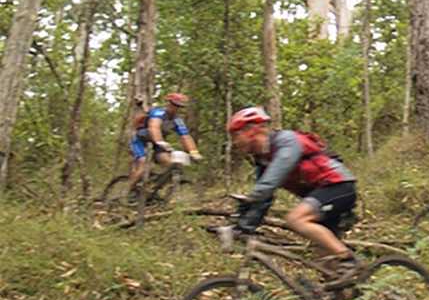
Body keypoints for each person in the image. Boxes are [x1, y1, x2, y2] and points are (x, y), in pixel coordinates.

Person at [226, 107, 358, 277]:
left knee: (295, 219)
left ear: (252, 130)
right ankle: (349, 295)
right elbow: (264, 199)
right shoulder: (263, 160)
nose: (235, 142)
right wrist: (242, 227)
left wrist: (251, 197)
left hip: (337, 186)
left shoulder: (286, 141)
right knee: (326, 264)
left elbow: (271, 180)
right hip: (320, 195)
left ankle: (349, 259)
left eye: (236, 136)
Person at [127, 92, 202, 199]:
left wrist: (194, 152)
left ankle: (155, 188)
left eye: (179, 107)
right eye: (174, 105)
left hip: (157, 144)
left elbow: (185, 136)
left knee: (170, 162)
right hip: (140, 140)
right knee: (143, 164)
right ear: (169, 104)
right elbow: (154, 127)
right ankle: (129, 191)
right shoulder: (159, 113)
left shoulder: (177, 120)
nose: (176, 108)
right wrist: (160, 141)